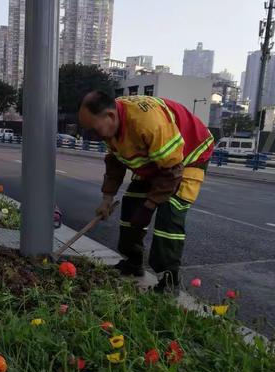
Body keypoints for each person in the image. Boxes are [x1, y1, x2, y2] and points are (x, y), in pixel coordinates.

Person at [78, 91, 214, 293]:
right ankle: (133, 263)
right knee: (131, 209)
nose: (94, 136)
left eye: (94, 130)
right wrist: (107, 200)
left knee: (169, 218)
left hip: (185, 159)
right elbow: (115, 163)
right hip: (155, 160)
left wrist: (149, 206)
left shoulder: (148, 122)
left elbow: (171, 171)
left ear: (110, 116)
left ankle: (169, 280)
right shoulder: (110, 126)